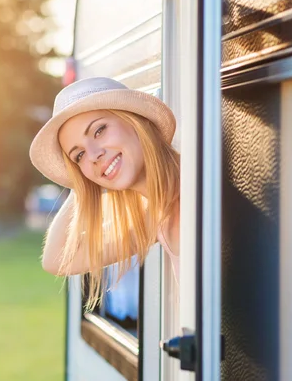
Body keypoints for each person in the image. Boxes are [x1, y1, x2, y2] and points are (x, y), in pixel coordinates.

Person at [29, 77, 180, 310]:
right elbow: (57, 260)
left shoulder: (200, 181)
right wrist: (81, 185)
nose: (93, 155)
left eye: (99, 130)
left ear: (135, 119)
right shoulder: (155, 219)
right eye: (78, 155)